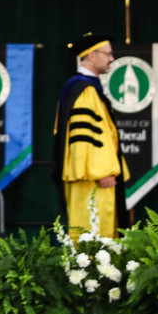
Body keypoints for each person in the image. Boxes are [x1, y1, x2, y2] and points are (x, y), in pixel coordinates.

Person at [51, 33, 129, 239]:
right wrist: (101, 171)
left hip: (91, 176)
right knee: (93, 235)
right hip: (91, 178)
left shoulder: (84, 88)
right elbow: (85, 137)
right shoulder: (83, 90)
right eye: (108, 54)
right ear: (92, 56)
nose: (112, 59)